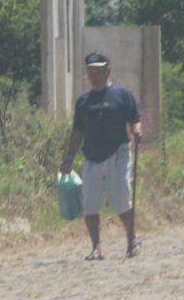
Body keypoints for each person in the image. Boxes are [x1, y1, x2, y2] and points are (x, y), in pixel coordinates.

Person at [59, 51, 143, 260]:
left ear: (108, 70)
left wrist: (137, 130)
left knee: (122, 201)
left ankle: (132, 240)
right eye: (90, 71)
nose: (94, 75)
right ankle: (96, 248)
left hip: (118, 154)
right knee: (90, 204)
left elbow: (135, 119)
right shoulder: (83, 101)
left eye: (98, 70)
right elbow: (77, 131)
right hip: (91, 157)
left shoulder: (122, 95)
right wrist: (69, 157)